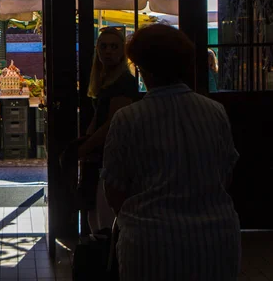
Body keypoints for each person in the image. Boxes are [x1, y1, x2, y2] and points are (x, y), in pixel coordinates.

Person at [102, 23, 241, 281]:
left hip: (150, 245)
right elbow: (226, 173)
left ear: (142, 67)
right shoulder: (215, 112)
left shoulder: (128, 119)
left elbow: (114, 188)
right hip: (217, 240)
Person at [61, 26, 139, 235]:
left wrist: (85, 147)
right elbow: (99, 119)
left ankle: (107, 260)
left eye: (114, 46)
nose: (108, 51)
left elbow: (112, 124)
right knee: (93, 210)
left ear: (122, 51)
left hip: (112, 155)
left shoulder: (124, 82)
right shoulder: (106, 79)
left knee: (103, 214)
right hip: (99, 153)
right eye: (103, 46)